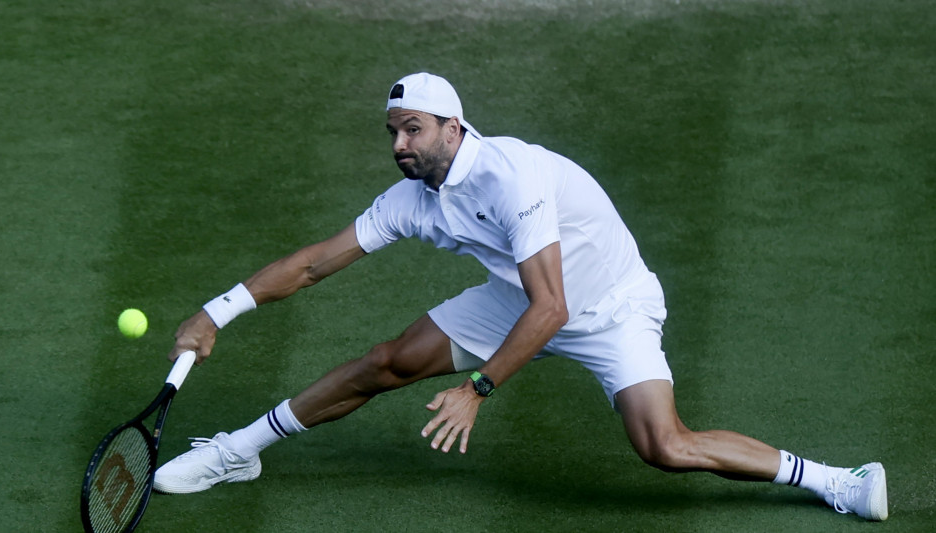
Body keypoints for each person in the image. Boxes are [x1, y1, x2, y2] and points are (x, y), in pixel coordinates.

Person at [153, 72, 888, 521]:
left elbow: (555, 310)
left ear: (452, 126)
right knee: (387, 361)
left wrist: (477, 388)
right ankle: (239, 451)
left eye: (413, 130)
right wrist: (217, 311)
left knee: (664, 445)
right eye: (392, 132)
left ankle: (837, 480)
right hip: (521, 297)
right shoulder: (411, 197)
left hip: (608, 308)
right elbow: (315, 263)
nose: (399, 145)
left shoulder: (513, 177)